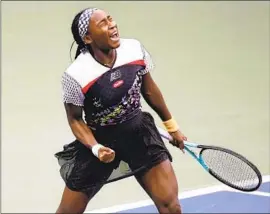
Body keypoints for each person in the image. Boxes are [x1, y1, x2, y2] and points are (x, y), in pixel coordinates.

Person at [55, 7, 187, 214]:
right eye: (103, 24)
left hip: (139, 134)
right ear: (88, 38)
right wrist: (96, 148)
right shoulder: (76, 75)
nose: (112, 25)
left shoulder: (134, 49)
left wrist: (172, 126)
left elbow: (149, 90)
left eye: (110, 19)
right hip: (101, 142)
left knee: (171, 207)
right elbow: (75, 120)